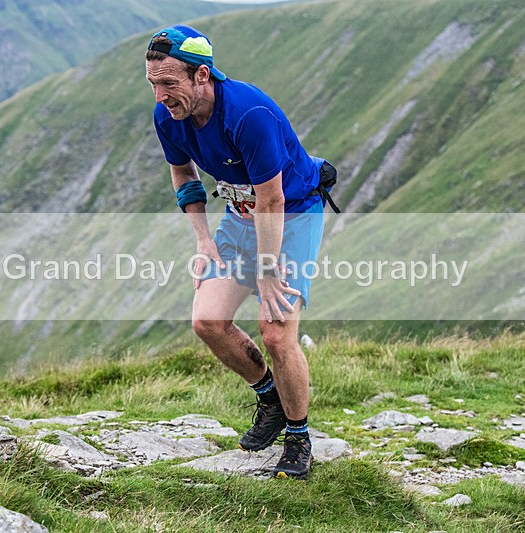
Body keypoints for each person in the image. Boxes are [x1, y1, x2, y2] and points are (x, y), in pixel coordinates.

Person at [145, 25, 336, 480]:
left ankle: (298, 437)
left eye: (169, 83)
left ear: (202, 76)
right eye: (152, 83)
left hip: (291, 213)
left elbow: (273, 199)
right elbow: (183, 175)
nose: (160, 95)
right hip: (240, 213)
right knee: (207, 321)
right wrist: (203, 239)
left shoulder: (248, 114)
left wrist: (268, 271)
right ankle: (269, 398)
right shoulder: (167, 116)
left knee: (276, 333)